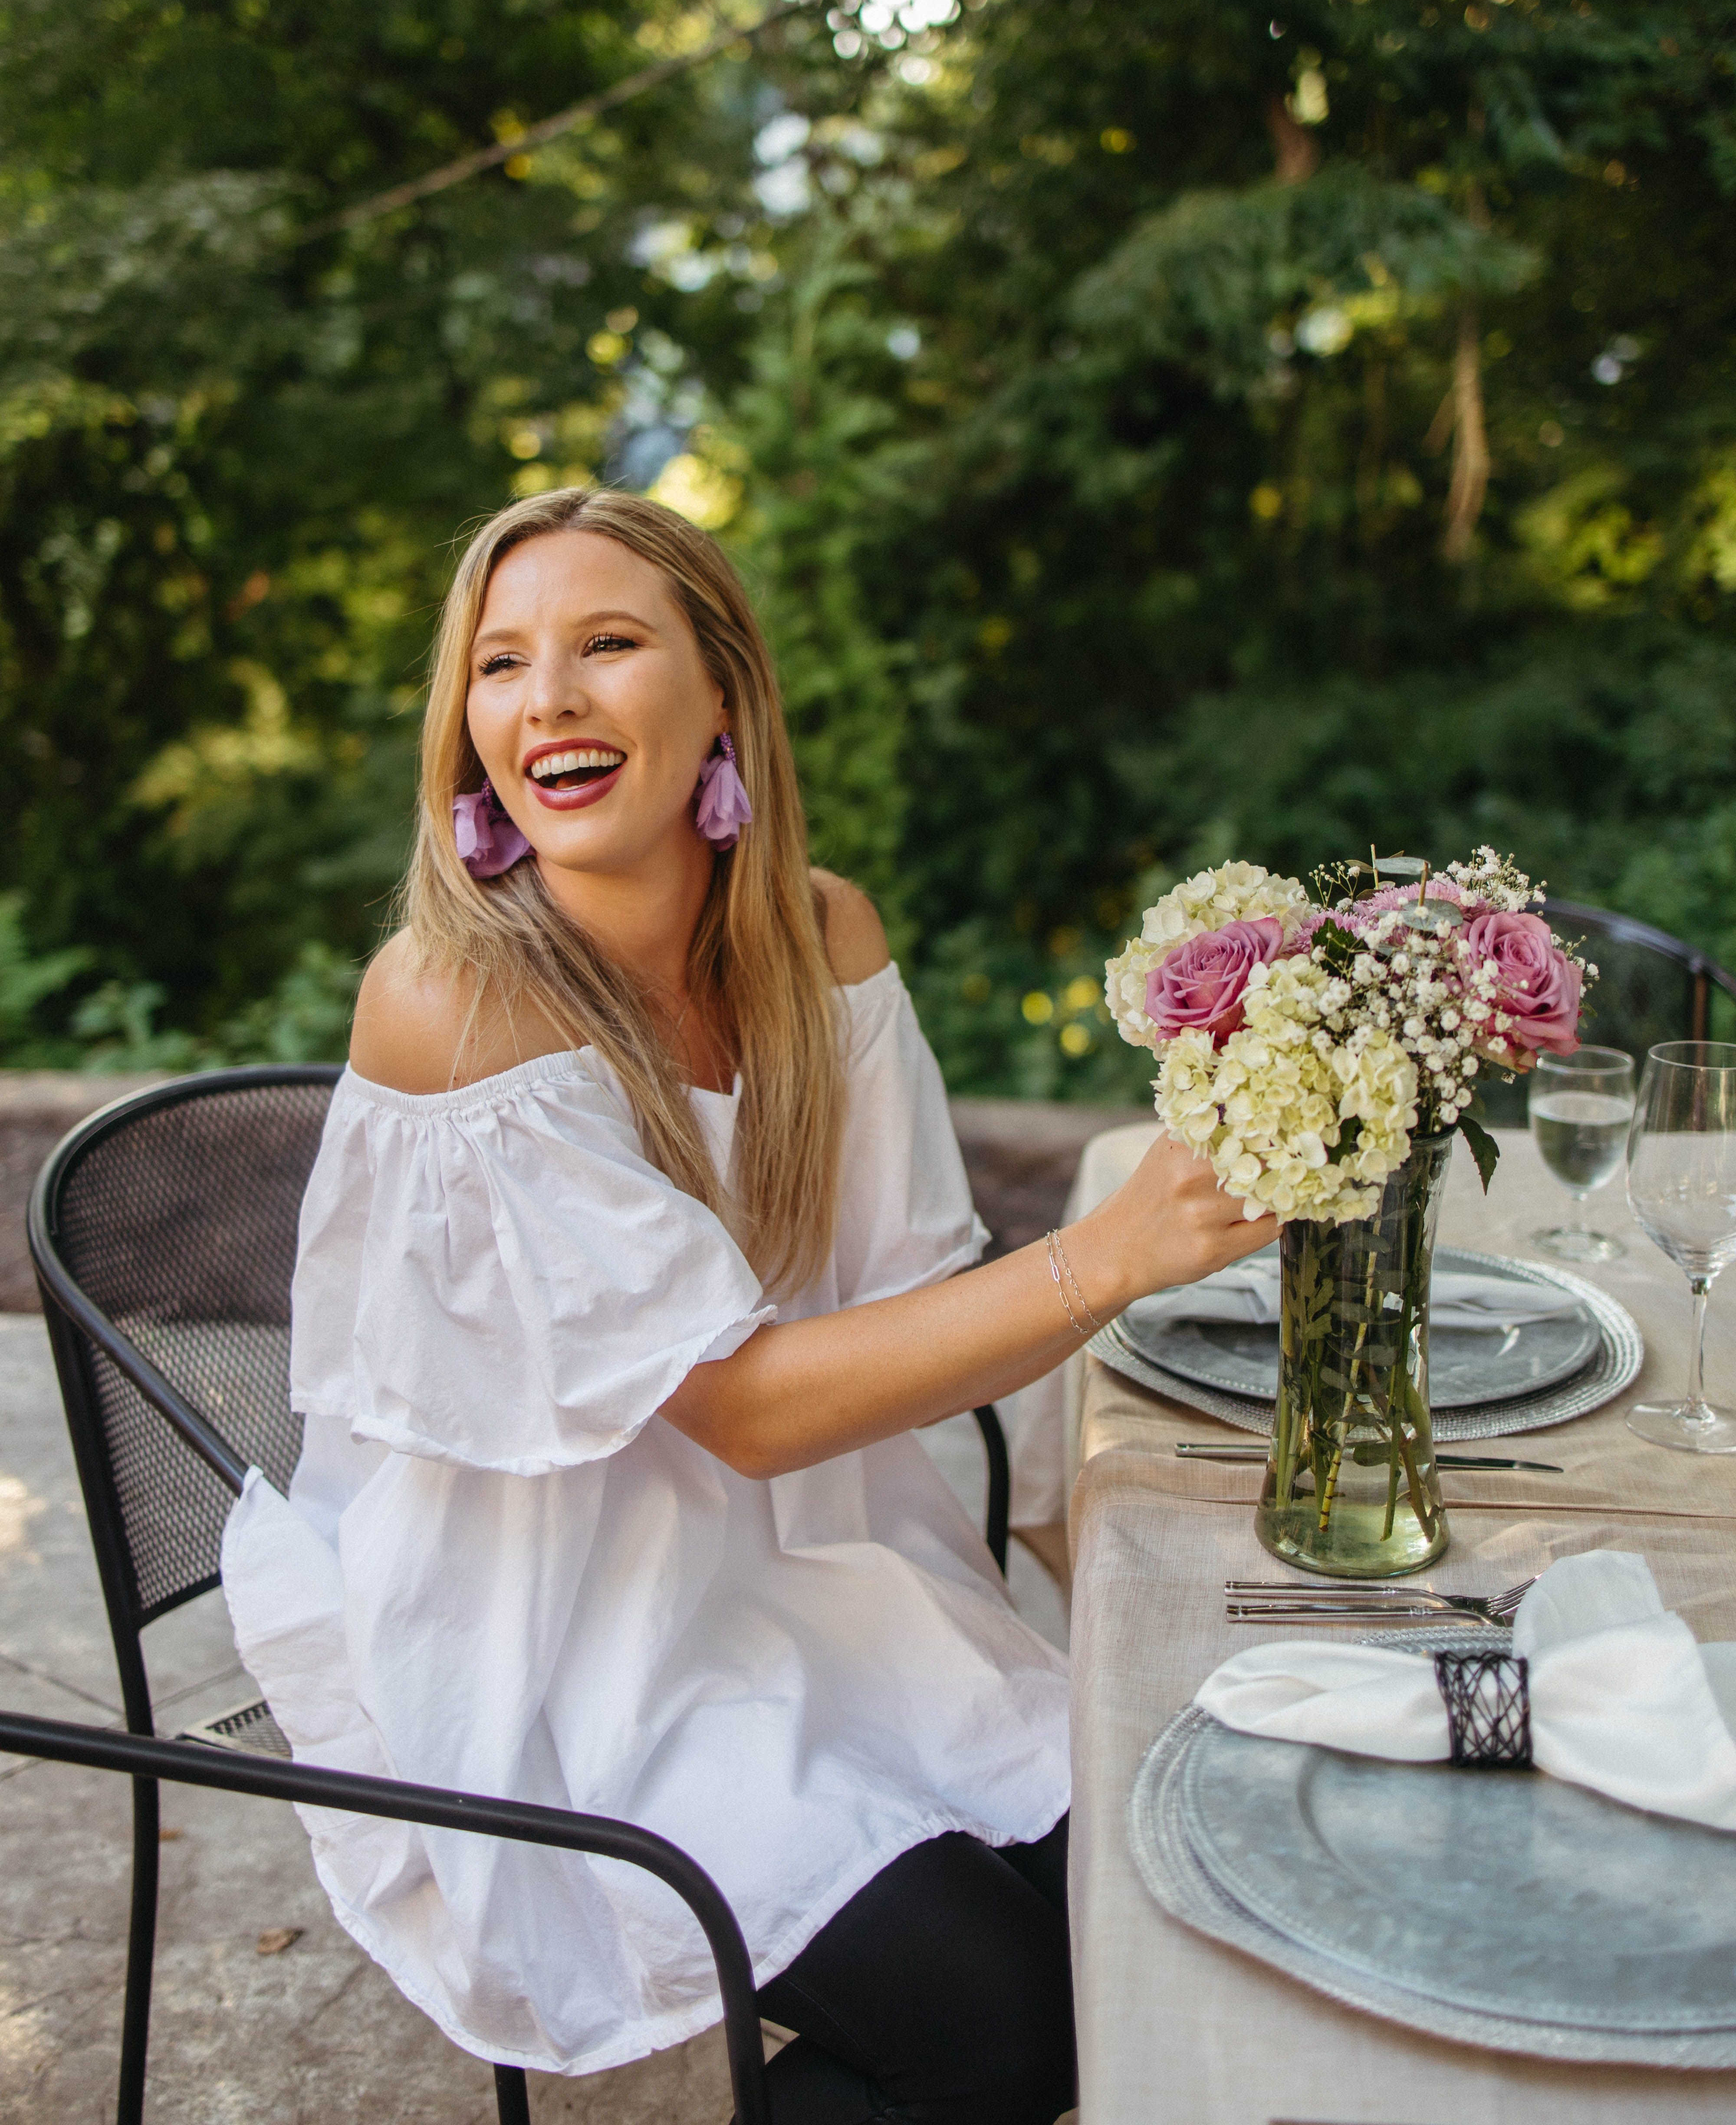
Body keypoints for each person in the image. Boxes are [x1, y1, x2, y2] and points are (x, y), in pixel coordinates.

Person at [220, 487, 1275, 2124]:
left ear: (724, 691)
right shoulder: (453, 1001)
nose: (547, 699)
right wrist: (1110, 1254)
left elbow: (920, 1303)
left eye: (606, 644)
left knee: (1160, 1907)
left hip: (818, 1576)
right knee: (998, 2027)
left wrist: (1131, 1345)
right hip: (565, 1644)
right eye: (500, 664)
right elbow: (748, 1407)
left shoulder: (818, 935)